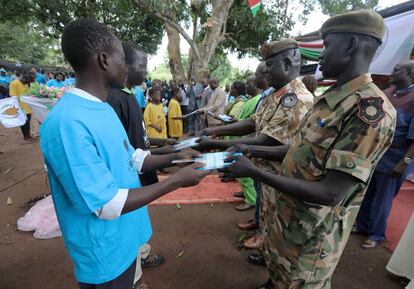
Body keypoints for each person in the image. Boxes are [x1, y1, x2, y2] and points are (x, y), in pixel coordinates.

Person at [223, 10, 396, 289]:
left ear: (351, 45)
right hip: (288, 223)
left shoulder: (367, 111)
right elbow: (298, 151)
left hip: (312, 240)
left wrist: (255, 171)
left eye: (327, 46)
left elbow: (331, 193)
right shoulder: (330, 99)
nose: (320, 56)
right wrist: (250, 150)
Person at [40, 18, 209, 289]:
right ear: (105, 60)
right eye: (123, 58)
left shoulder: (104, 108)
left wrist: (180, 158)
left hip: (126, 237)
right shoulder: (66, 123)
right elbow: (105, 204)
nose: (128, 67)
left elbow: (132, 158)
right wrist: (175, 182)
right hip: (104, 251)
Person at [196, 39, 314, 252]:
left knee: (281, 231)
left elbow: (267, 139)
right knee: (267, 218)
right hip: (265, 172)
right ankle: (267, 254)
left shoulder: (296, 98)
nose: (264, 70)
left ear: (287, 64)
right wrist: (215, 131)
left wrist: (212, 143)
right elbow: (253, 122)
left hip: (282, 178)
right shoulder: (276, 94)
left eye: (270, 65)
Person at [355, 60, 414, 248]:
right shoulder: (388, 92)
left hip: (396, 158)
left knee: (383, 198)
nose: (392, 71)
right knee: (366, 193)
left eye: (397, 70)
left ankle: (376, 234)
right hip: (375, 154)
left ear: (410, 75)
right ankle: (363, 226)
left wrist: (404, 163)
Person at [9, 70, 36, 140]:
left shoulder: (27, 83)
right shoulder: (14, 83)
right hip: (20, 106)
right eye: (28, 81)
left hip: (28, 106)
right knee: (23, 121)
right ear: (24, 78)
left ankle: (28, 134)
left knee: (28, 121)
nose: (28, 83)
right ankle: (26, 136)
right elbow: (12, 95)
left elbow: (29, 92)